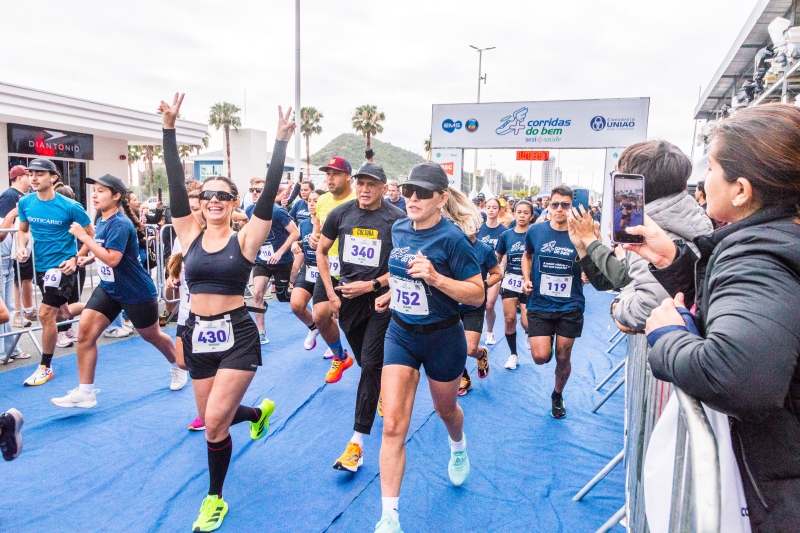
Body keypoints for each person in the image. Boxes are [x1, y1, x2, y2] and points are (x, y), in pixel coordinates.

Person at [626, 104, 800, 531]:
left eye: (712, 168)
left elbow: (737, 375)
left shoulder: (758, 253)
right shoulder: (777, 238)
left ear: (740, 189)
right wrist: (675, 264)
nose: (701, 182)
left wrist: (666, 338)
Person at [160, 94, 292, 532]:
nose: (214, 200)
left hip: (236, 333)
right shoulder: (188, 232)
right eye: (208, 195)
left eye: (224, 196)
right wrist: (169, 130)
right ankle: (257, 414)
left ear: (235, 203)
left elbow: (269, 199)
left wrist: (278, 144)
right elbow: (177, 184)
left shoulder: (247, 237)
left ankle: (214, 499)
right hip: (197, 332)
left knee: (214, 421)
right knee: (218, 419)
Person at [372, 162, 484, 533]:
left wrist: (436, 278)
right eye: (408, 191)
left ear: (442, 198)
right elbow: (405, 273)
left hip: (442, 337)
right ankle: (390, 516)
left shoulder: (452, 239)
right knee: (392, 427)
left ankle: (458, 445)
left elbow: (477, 293)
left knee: (446, 410)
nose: (413, 198)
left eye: (422, 193)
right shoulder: (400, 227)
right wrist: (391, 293)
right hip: (401, 333)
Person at [50, 175, 185, 408]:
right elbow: (105, 248)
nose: (95, 194)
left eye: (101, 191)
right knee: (85, 334)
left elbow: (113, 259)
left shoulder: (121, 223)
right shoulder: (102, 219)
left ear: (116, 196)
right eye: (94, 190)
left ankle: (178, 367)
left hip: (136, 291)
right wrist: (89, 258)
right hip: (109, 289)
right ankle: (86, 392)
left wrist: (84, 239)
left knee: (151, 336)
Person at [316, 162, 406, 473]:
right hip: (347, 300)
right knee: (369, 362)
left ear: (384, 187)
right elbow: (322, 251)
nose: (364, 189)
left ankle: (356, 443)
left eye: (371, 184)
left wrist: (375, 285)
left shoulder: (397, 219)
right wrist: (330, 293)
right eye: (361, 183)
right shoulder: (340, 214)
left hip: (381, 299)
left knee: (370, 363)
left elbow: (406, 265)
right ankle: (378, 389)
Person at [570, 140, 713, 333]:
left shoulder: (649, 231)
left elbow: (646, 305)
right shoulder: (689, 214)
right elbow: (633, 278)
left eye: (617, 179)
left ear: (630, 186)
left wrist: (618, 306)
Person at [17, 158, 93, 387]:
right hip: (41, 267)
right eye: (31, 173)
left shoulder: (70, 206)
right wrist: (21, 246)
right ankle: (103, 308)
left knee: (45, 314)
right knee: (63, 314)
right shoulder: (26, 203)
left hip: (62, 267)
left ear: (53, 177)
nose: (34, 178)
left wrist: (77, 258)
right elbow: (23, 230)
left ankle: (45, 366)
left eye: (40, 174)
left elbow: (89, 234)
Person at [521, 186, 585, 419]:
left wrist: (588, 272)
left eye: (565, 205)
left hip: (570, 304)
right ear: (548, 206)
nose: (559, 209)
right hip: (540, 301)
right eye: (555, 204)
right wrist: (526, 279)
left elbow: (592, 261)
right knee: (540, 357)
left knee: (563, 357)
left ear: (571, 207)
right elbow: (527, 256)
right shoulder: (536, 231)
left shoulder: (581, 232)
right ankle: (541, 337)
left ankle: (557, 395)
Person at [309, 156, 357, 374]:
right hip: (330, 264)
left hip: (358, 268)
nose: (330, 178)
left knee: (356, 324)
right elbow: (317, 230)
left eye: (335, 174)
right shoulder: (322, 201)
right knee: (319, 315)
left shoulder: (359, 198)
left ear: (348, 177)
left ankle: (374, 372)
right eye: (327, 174)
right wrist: (313, 238)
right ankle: (340, 356)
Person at [246, 177, 300, 344]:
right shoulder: (249, 210)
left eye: (258, 190)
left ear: (267, 193)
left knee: (283, 296)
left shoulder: (277, 211)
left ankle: (304, 301)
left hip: (282, 260)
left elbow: (295, 232)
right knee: (257, 293)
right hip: (262, 259)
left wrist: (279, 252)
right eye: (252, 190)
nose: (254, 193)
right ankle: (261, 332)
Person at [458, 229, 502, 396]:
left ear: (477, 228)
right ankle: (464, 378)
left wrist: (481, 286)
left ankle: (481, 354)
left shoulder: (484, 249)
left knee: (470, 349)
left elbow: (497, 274)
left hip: (473, 305)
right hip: (450, 304)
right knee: (453, 345)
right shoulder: (448, 245)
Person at [495, 201, 534, 370]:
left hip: (528, 282)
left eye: (526, 213)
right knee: (510, 319)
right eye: (519, 212)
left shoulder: (535, 235)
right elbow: (496, 258)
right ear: (514, 214)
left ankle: (528, 333)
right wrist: (493, 276)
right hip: (510, 281)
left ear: (531, 216)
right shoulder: (506, 235)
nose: (522, 216)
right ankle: (513, 355)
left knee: (526, 322)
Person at [1, 166, 35, 330]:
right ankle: (16, 315)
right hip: (10, 250)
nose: (32, 178)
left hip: (23, 246)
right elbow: (6, 225)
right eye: (29, 175)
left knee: (25, 277)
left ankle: (24, 310)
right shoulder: (9, 196)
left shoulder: (26, 196)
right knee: (16, 280)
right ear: (20, 177)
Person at [289, 189, 323, 352]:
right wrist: (296, 244)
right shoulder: (303, 224)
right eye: (309, 200)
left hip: (327, 271)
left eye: (315, 201)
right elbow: (304, 241)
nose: (311, 204)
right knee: (296, 305)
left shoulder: (329, 222)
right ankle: (313, 328)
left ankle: (333, 343)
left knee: (324, 313)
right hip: (308, 268)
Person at [476, 198, 507, 346]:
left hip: (495, 270)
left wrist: (503, 272)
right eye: (488, 207)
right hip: (478, 269)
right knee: (476, 303)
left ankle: (490, 331)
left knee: (489, 305)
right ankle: (476, 326)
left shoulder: (504, 231)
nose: (491, 210)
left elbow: (505, 255)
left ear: (499, 210)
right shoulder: (478, 229)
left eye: (494, 207)